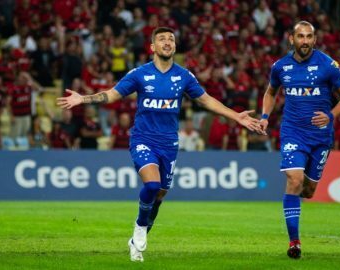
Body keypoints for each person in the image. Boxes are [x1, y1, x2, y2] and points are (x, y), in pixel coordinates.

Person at [56, 27, 262, 262]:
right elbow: (112, 95)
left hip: (169, 144)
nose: (167, 42)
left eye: (171, 39)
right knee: (152, 186)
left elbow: (205, 100)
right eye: (162, 39)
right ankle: (139, 227)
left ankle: (136, 242)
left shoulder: (184, 76)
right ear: (152, 47)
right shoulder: (139, 74)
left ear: (174, 47)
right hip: (143, 139)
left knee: (160, 195)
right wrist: (83, 98)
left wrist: (237, 116)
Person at [259, 21, 340, 259]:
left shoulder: (328, 65)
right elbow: (271, 92)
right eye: (300, 36)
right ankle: (294, 242)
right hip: (292, 132)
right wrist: (264, 117)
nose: (305, 41)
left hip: (320, 136)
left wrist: (331, 115)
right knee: (294, 179)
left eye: (309, 36)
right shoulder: (280, 67)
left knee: (308, 190)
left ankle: (294, 201)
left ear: (314, 39)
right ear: (291, 39)